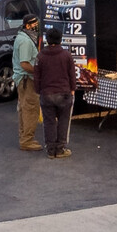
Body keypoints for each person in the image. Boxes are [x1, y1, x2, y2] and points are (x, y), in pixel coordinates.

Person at [36, 32, 77, 159]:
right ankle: (60, 149)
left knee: (49, 122)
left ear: (47, 40)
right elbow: (72, 74)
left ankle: (50, 149)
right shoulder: (66, 55)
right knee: (63, 121)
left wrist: (39, 91)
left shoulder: (40, 56)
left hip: (46, 94)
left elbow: (37, 77)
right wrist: (72, 89)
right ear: (60, 40)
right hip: (64, 93)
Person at [12, 10, 43, 152]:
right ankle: (27, 140)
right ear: (28, 25)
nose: (37, 26)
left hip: (24, 79)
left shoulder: (26, 38)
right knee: (30, 110)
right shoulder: (25, 41)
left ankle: (25, 137)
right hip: (27, 80)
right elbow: (25, 63)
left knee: (25, 109)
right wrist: (39, 72)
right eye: (34, 24)